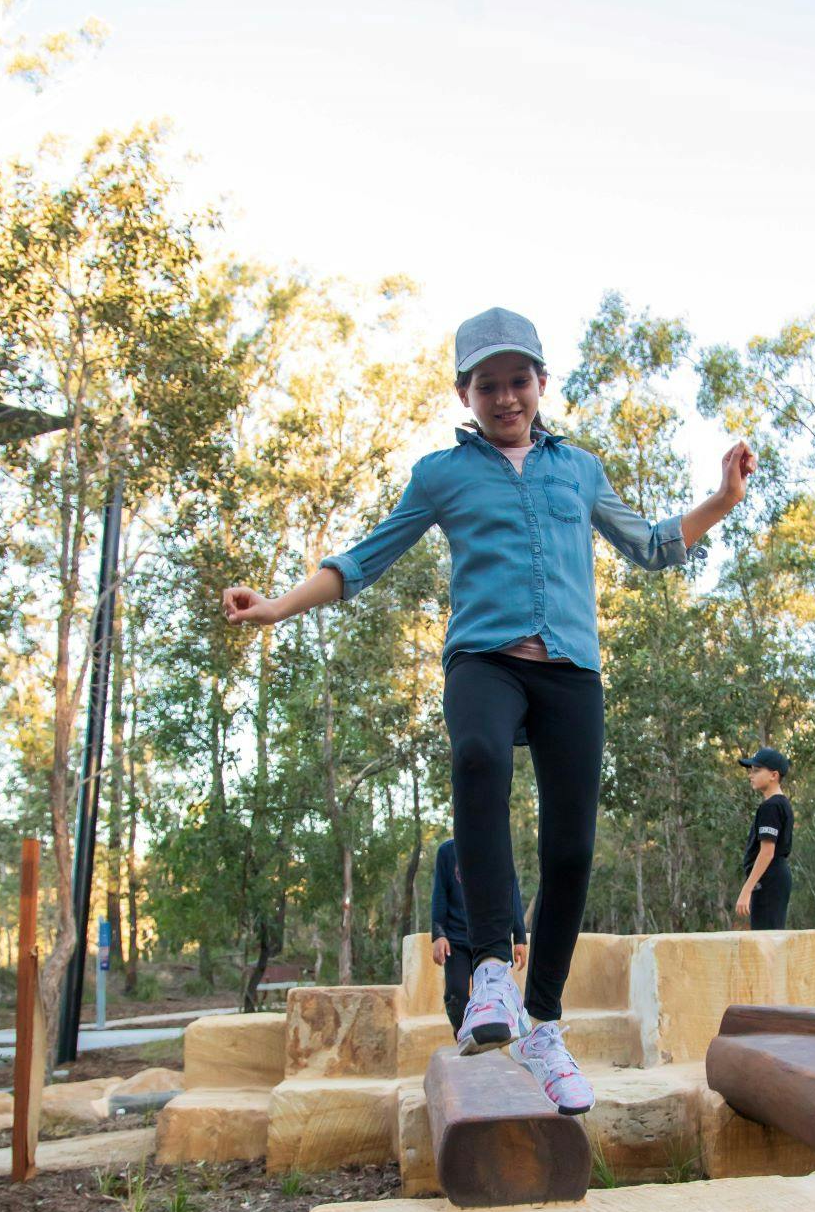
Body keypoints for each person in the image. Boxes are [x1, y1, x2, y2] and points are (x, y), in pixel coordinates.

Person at [223, 306, 755, 1115]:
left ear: (541, 384)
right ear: (464, 392)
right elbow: (363, 559)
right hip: (483, 661)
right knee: (475, 756)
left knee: (572, 846)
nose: (505, 397)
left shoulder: (578, 469)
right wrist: (275, 608)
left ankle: (543, 1025)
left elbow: (650, 545)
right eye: (487, 385)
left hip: (571, 672)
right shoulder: (442, 473)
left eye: (518, 381)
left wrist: (720, 499)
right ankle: (490, 975)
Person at [431, 838, 527, 1038]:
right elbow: (439, 892)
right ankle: (465, 1036)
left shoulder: (497, 847)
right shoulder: (447, 852)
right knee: (455, 995)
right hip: (456, 940)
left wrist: (519, 936)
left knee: (488, 994)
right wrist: (438, 934)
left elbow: (511, 892)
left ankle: (488, 1039)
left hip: (489, 938)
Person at [735, 747, 794, 930]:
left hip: (769, 878)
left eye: (757, 770)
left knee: (766, 942)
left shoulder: (772, 806)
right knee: (769, 938)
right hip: (774, 877)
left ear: (773, 775)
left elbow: (767, 852)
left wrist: (747, 889)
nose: (751, 775)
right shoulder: (781, 804)